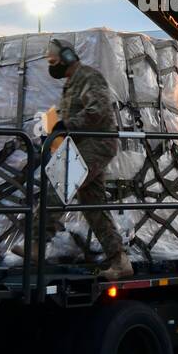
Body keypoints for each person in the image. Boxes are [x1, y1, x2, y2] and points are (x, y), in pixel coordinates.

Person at [33, 38, 133, 280]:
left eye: (53, 61)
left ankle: (36, 245)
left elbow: (98, 111)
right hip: (83, 144)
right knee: (94, 207)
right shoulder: (72, 84)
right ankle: (120, 261)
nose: (51, 66)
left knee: (59, 183)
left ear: (67, 57)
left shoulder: (89, 77)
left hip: (96, 144)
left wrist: (66, 125)